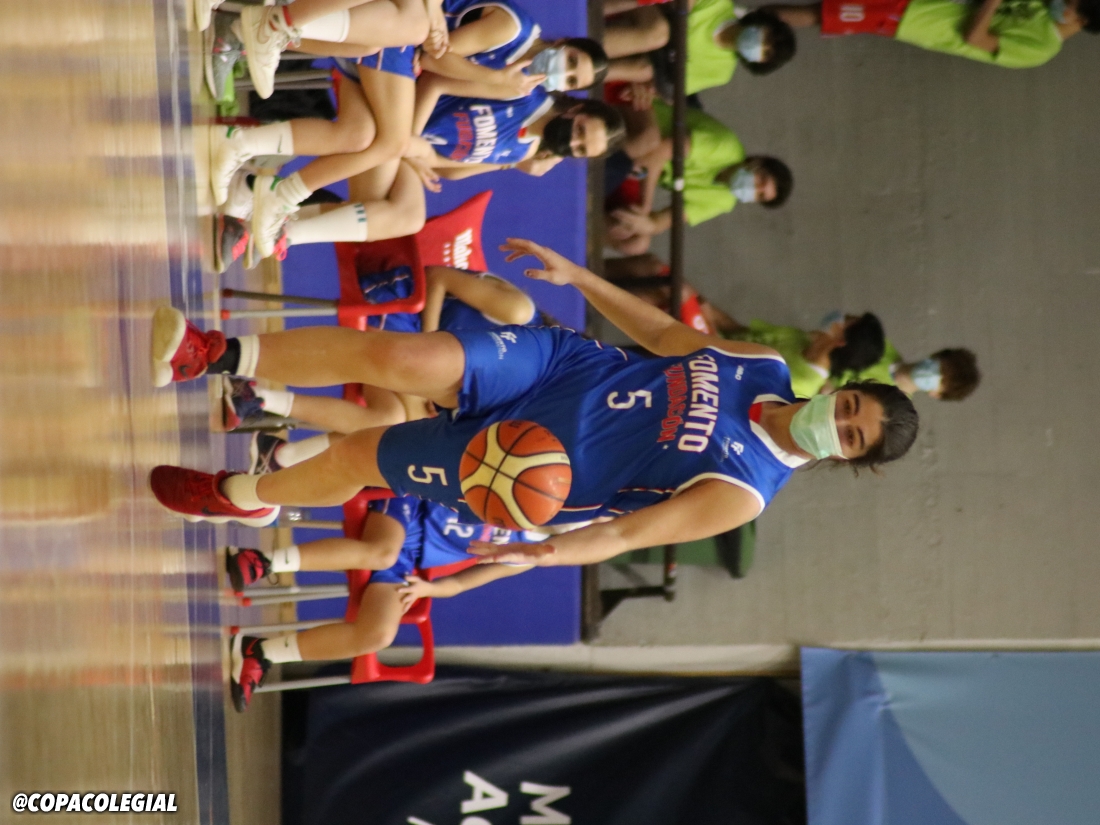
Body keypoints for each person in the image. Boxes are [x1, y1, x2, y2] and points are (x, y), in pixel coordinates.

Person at [148, 237, 919, 605]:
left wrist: (543, 552)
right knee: (403, 358)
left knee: (364, 456)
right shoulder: (765, 364)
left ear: (848, 458)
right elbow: (664, 335)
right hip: (563, 369)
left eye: (851, 436)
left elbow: (625, 535)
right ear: (843, 389)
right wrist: (579, 276)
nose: (839, 421)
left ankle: (242, 495)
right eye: (851, 406)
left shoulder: (743, 490)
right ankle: (212, 352)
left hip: (534, 462)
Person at [225, 495, 547, 710]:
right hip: (409, 505)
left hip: (407, 562)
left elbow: (462, 583)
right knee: (383, 553)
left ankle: (261, 652)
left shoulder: (529, 555)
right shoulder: (521, 478)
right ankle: (261, 560)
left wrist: (429, 589)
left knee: (377, 635)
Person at [225, 265, 542, 473]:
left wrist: (438, 396)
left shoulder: (525, 383)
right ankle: (267, 420)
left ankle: (270, 428)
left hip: (417, 357)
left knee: (396, 424)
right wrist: (427, 346)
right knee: (401, 414)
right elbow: (439, 278)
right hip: (404, 304)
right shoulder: (519, 313)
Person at [606, 100, 791, 254]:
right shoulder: (727, 146)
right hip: (641, 124)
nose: (753, 189)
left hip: (639, 169)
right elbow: (662, 150)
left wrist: (646, 224)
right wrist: (645, 206)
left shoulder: (724, 201)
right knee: (646, 145)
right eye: (761, 180)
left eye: (759, 195)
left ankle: (587, 225)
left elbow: (665, 220)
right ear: (757, 162)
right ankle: (596, 174)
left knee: (637, 242)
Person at [765, 0, 1099, 68]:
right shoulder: (1044, 6)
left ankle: (746, 20)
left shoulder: (1040, 47)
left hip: (914, 17)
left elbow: (975, 38)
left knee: (824, 11)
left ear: (1080, 18)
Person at [406, 80, 626, 178]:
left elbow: (446, 169)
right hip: (405, 106)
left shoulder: (522, 153)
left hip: (407, 150)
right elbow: (434, 84)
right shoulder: (523, 92)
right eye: (580, 131)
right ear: (577, 109)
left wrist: (512, 163)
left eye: (580, 149)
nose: (572, 142)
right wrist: (410, 141)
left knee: (411, 218)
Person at [603, 1, 796, 95]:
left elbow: (672, 89)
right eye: (767, 37)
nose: (761, 45)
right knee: (657, 33)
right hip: (651, 11)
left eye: (766, 52)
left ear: (760, 63)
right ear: (764, 23)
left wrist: (647, 91)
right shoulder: (720, 3)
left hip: (656, 57)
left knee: (644, 70)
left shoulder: (722, 73)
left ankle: (592, 68)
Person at [833, 343, 980, 400]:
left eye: (942, 381)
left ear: (936, 394)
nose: (934, 374)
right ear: (935, 356)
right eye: (942, 368)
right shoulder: (882, 347)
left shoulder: (892, 407)